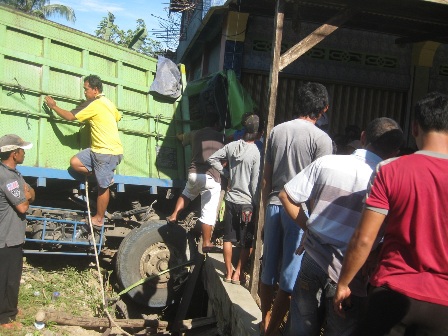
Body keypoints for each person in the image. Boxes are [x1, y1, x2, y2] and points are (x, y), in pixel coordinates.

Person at [333, 92, 448, 336]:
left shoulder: (390, 170)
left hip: (392, 292)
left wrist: (344, 282)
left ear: (414, 127)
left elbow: (364, 238)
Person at [278, 118, 403, 336]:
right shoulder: (390, 182)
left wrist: (308, 226)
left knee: (301, 330)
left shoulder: (327, 163)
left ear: (363, 137)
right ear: (395, 151)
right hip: (352, 272)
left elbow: (286, 195)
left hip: (312, 261)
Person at [260, 82, 334, 335]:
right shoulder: (322, 140)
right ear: (323, 109)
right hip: (298, 211)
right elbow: (319, 188)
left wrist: (263, 210)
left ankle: (265, 318)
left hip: (272, 203)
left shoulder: (276, 131)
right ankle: (271, 332)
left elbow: (266, 177)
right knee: (290, 275)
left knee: (268, 269)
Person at [44, 75, 123, 228]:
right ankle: (105, 175)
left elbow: (70, 116)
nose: (84, 93)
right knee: (75, 162)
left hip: (107, 152)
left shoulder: (94, 103)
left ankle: (99, 219)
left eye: (86, 90)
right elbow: (118, 117)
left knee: (102, 187)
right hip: (98, 150)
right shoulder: (109, 103)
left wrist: (53, 106)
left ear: (95, 90)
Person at [207, 114, 261, 284]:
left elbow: (212, 158)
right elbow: (254, 183)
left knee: (228, 238)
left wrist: (226, 174)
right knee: (246, 242)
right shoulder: (256, 153)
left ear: (244, 129)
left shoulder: (231, 146)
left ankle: (228, 272)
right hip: (246, 204)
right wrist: (257, 203)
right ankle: (238, 272)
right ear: (258, 132)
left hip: (230, 200)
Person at [166, 112, 225, 253]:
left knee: (186, 194)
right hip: (211, 178)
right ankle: (206, 243)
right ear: (216, 125)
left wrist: (179, 136)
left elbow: (182, 138)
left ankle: (174, 215)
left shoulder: (195, 134)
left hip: (194, 173)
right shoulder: (221, 137)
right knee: (208, 212)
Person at [0, 134, 35, 329]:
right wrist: (27, 196)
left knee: (12, 277)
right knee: (6, 279)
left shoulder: (15, 173)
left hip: (12, 236)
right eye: (22, 150)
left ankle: (10, 308)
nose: (24, 153)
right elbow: (23, 206)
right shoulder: (7, 177)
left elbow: (32, 193)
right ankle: (4, 318)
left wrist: (28, 195)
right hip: (6, 237)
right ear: (14, 154)